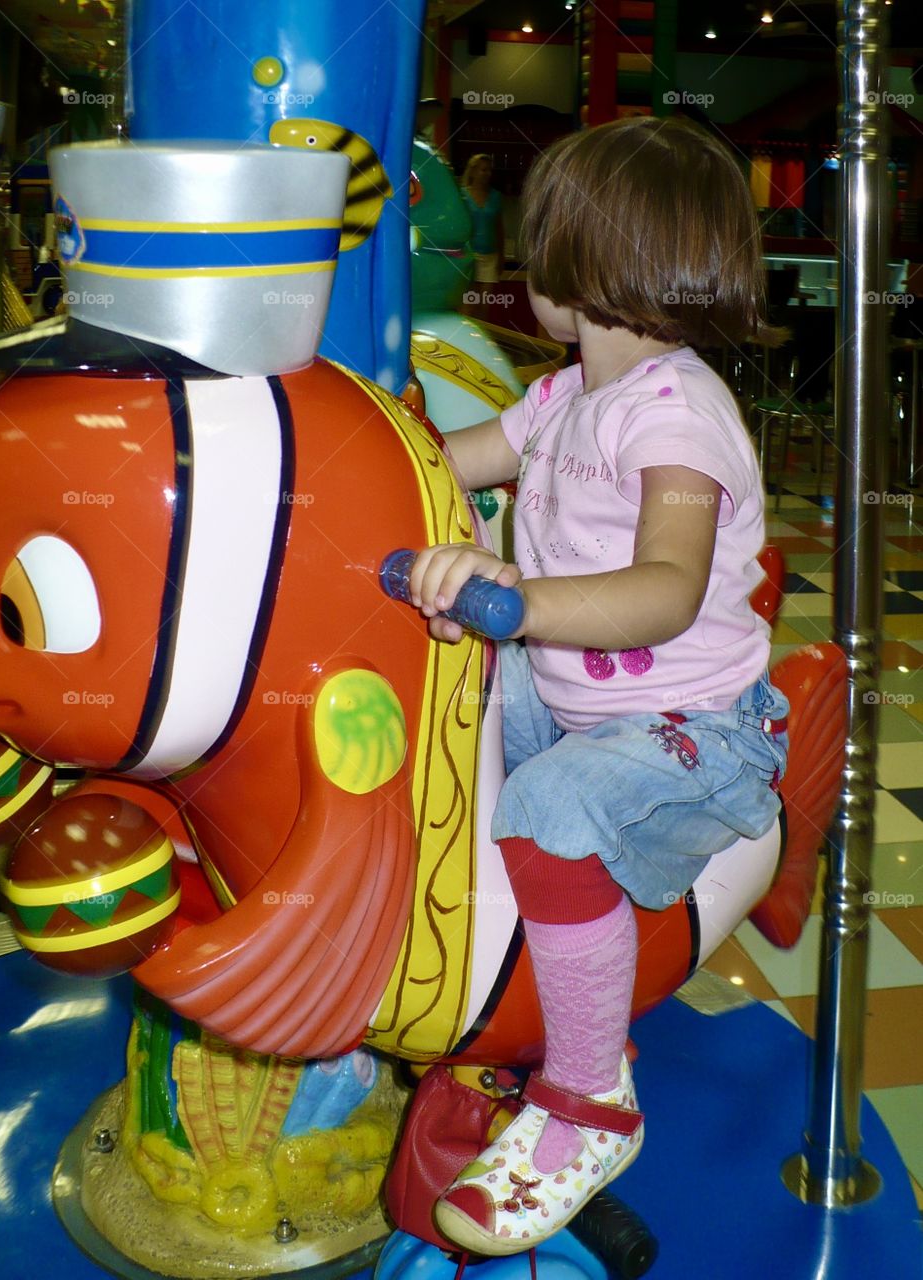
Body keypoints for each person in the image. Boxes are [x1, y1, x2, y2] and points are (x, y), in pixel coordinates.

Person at [404, 117, 789, 1257]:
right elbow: (445, 458)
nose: (525, 269)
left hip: (694, 730)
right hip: (576, 691)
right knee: (452, 696)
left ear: (591, 259)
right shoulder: (566, 395)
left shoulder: (679, 416)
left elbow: (667, 588)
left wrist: (512, 594)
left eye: (540, 244)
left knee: (546, 808)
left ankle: (584, 1097)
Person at [462, 152, 504, 293]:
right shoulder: (462, 196)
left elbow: (499, 228)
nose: (487, 173)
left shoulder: (496, 196)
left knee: (485, 304)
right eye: (483, 169)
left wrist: (501, 257)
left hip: (490, 256)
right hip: (469, 255)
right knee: (469, 303)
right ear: (473, 171)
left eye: (489, 170)